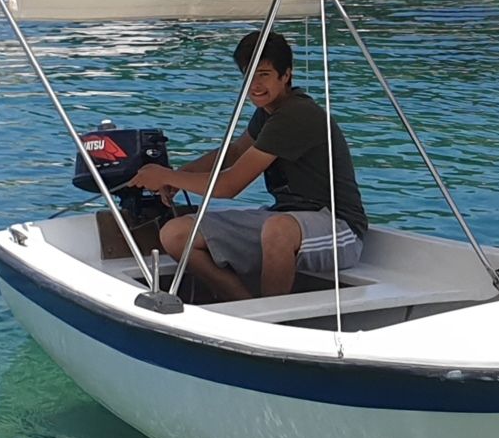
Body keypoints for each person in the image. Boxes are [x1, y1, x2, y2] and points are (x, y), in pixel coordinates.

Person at [130, 30, 369, 301]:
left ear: (286, 74)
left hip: (340, 229)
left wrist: (165, 175)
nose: (254, 85)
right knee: (175, 233)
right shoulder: (267, 114)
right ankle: (241, 302)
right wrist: (178, 177)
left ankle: (269, 320)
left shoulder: (297, 114)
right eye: (249, 74)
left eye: (264, 74)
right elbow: (234, 152)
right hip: (286, 218)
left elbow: (229, 185)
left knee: (278, 229)